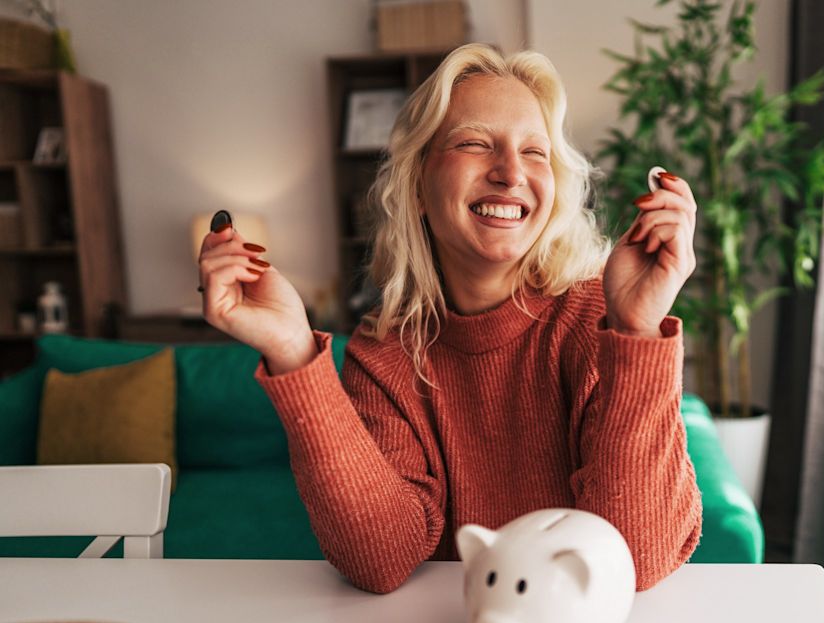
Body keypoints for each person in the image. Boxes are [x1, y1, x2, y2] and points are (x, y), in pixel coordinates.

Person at [197, 43, 702, 594]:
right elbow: (380, 560)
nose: (511, 173)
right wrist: (293, 350)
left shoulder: (596, 323)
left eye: (534, 152)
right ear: (417, 184)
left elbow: (636, 559)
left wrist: (637, 332)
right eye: (475, 143)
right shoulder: (386, 352)